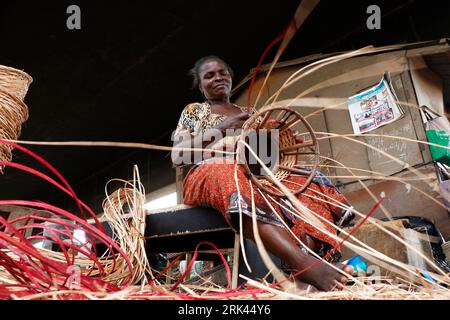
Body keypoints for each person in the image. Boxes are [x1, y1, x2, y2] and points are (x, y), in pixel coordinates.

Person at [172, 55, 354, 291]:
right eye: (209, 75)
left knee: (308, 182)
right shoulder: (194, 111)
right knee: (231, 176)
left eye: (222, 72)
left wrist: (279, 144)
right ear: (200, 85)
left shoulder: (251, 112)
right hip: (208, 175)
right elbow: (179, 156)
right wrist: (221, 129)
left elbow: (263, 161)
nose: (218, 77)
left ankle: (315, 259)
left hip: (255, 175)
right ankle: (302, 264)